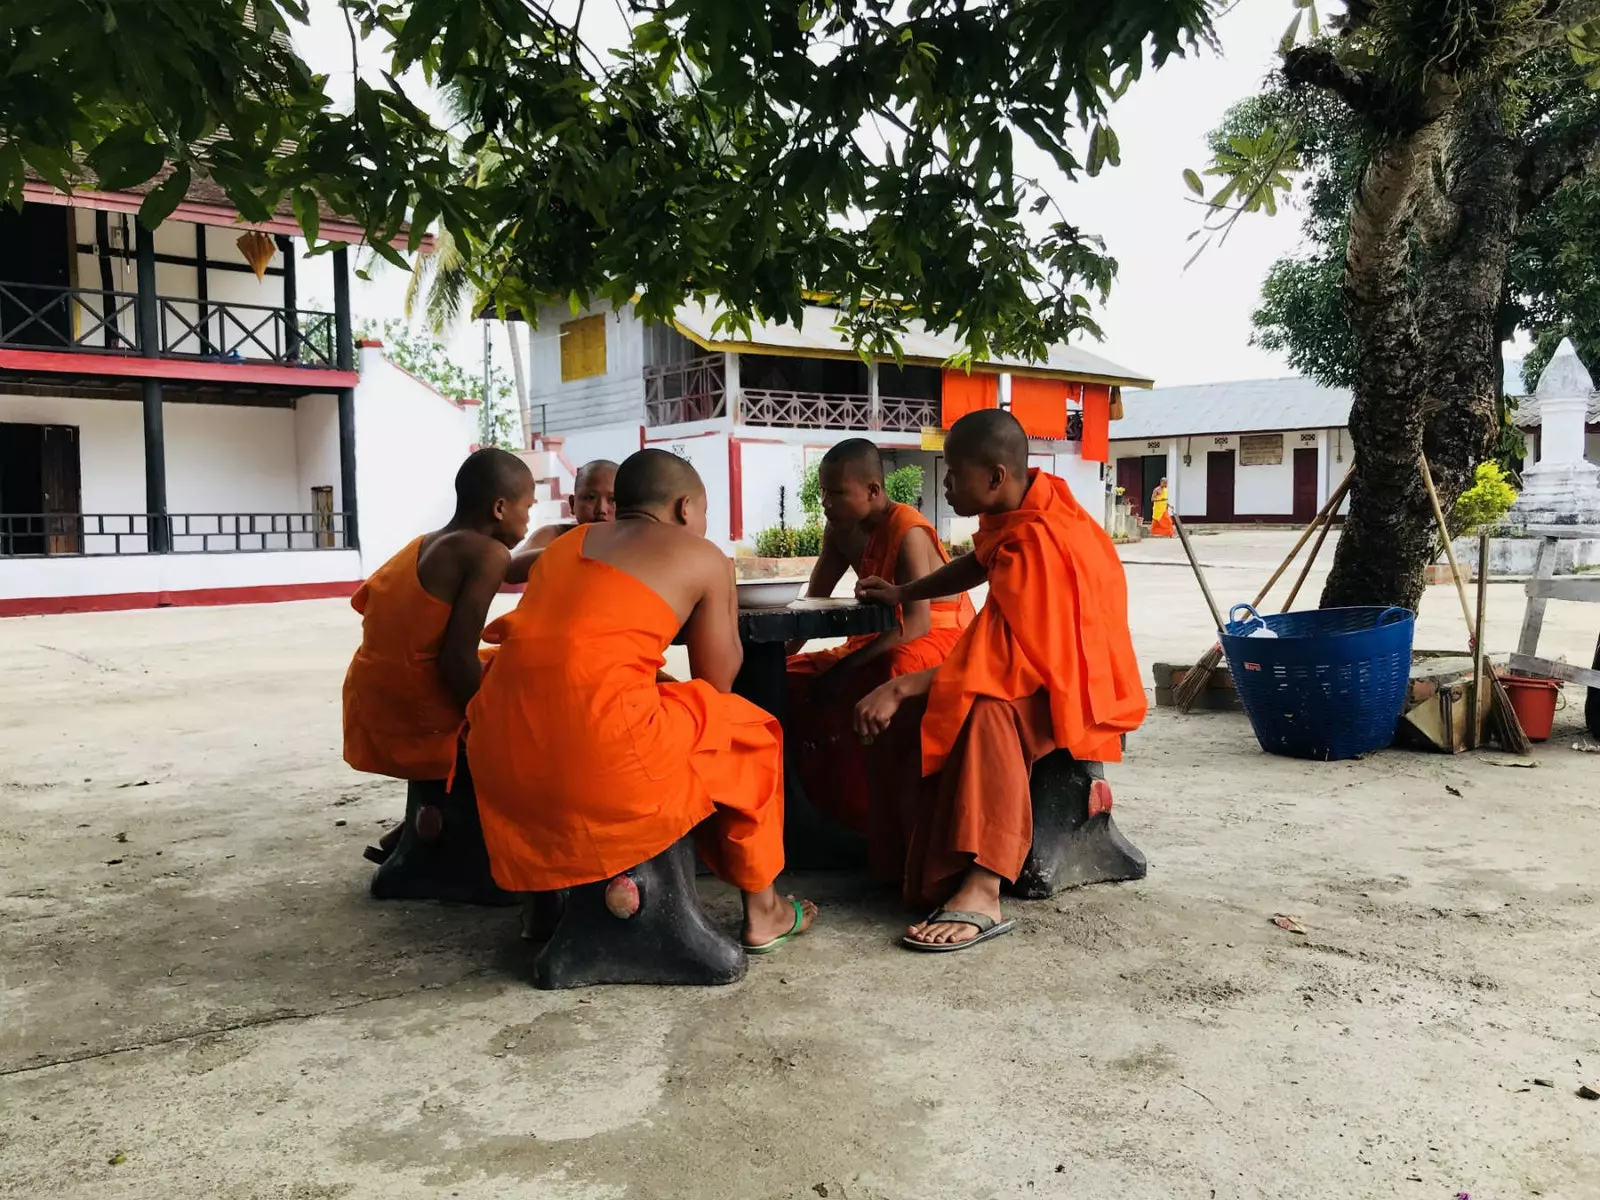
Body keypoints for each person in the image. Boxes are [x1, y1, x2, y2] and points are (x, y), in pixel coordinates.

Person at [466, 449, 817, 952]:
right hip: (601, 762)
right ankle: (764, 910)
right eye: (704, 511)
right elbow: (715, 682)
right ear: (683, 509)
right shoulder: (703, 556)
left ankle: (542, 904)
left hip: (497, 747)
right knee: (748, 732)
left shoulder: (568, 545)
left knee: (609, 700)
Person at [854, 410, 1146, 951]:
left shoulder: (1042, 540)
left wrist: (901, 686)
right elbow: (979, 563)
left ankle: (984, 883)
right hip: (1039, 663)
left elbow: (1001, 668)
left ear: (994, 478)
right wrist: (903, 593)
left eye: (953, 474)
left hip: (1080, 683)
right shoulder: (1025, 506)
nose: (944, 485)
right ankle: (905, 855)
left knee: (989, 713)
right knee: (931, 701)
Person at [345, 448, 535, 871]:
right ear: (501, 508)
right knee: (528, 709)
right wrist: (491, 721)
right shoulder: (488, 554)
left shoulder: (432, 542)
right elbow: (454, 659)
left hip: (373, 691)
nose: (529, 521)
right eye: (527, 508)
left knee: (503, 663)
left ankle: (415, 825)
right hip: (416, 701)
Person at [786, 439, 974, 833]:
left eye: (836, 493)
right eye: (823, 492)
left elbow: (917, 624)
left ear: (873, 491)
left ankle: (865, 815)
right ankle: (815, 810)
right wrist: (782, 650)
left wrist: (845, 669)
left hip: (933, 637)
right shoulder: (839, 531)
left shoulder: (906, 529)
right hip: (880, 636)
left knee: (876, 674)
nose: (826, 503)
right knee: (789, 678)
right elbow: (815, 600)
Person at [510, 458, 618, 571]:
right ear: (572, 504)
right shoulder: (556, 534)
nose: (601, 509)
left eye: (613, 499)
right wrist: (578, 550)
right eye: (590, 498)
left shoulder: (631, 541)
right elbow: (512, 568)